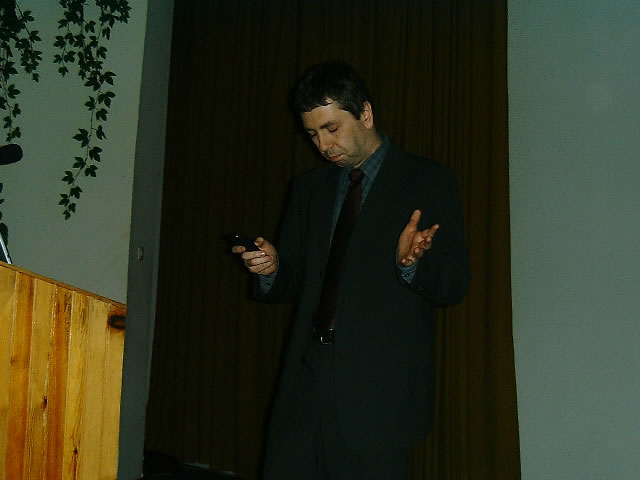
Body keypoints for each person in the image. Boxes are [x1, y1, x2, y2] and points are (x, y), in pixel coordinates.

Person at [232, 60, 469, 479]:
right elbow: (294, 281)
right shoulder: (309, 190)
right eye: (312, 134)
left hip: (377, 397)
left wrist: (412, 265)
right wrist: (271, 267)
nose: (323, 146)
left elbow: (454, 285)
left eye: (331, 128)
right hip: (306, 383)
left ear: (365, 114)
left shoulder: (428, 181)